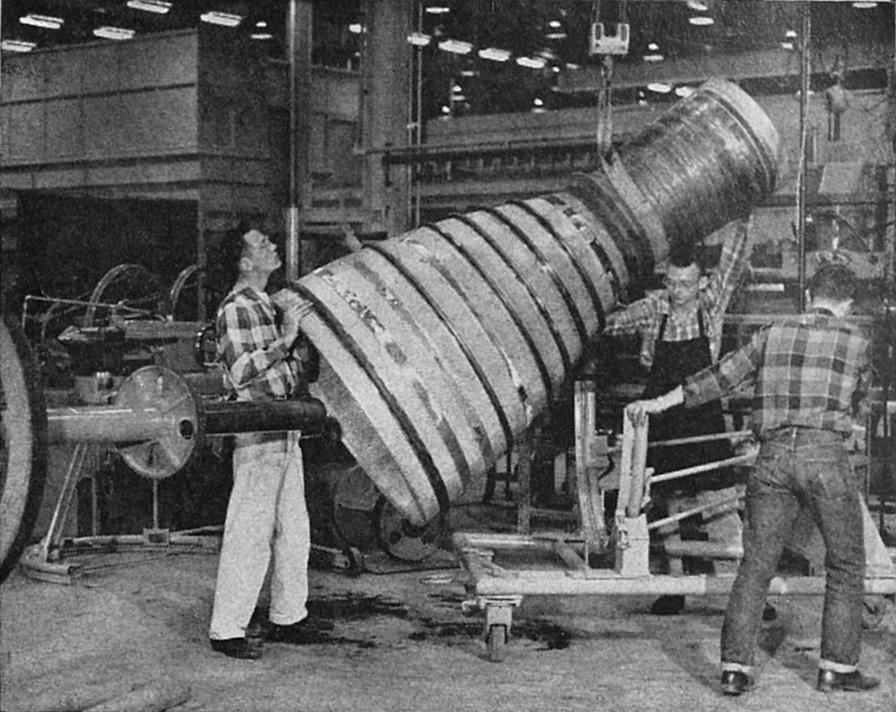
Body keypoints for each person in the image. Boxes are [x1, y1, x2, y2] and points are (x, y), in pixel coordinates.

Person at [625, 262, 879, 696]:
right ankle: (837, 666)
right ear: (848, 303)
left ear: (809, 295)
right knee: (845, 563)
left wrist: (657, 403)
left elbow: (716, 379)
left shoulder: (772, 333)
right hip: (825, 457)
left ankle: (734, 669)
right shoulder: (858, 341)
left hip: (773, 457)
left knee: (756, 564)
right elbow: (861, 405)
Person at [603, 218, 752, 615]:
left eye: (685, 284)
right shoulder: (655, 308)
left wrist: (739, 212)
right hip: (662, 419)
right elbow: (610, 323)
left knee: (719, 502)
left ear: (702, 282)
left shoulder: (711, 304)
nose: (677, 291)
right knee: (667, 503)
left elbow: (735, 256)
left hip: (703, 417)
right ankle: (673, 585)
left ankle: (743, 591)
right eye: (671, 283)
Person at [208, 226, 330, 660]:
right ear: (245, 263)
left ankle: (288, 614)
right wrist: (286, 338)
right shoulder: (236, 306)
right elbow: (243, 371)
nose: (273, 247)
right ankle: (226, 628)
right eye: (262, 246)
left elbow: (288, 369)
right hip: (259, 428)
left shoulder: (267, 304)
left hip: (285, 425)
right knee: (250, 529)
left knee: (294, 528)